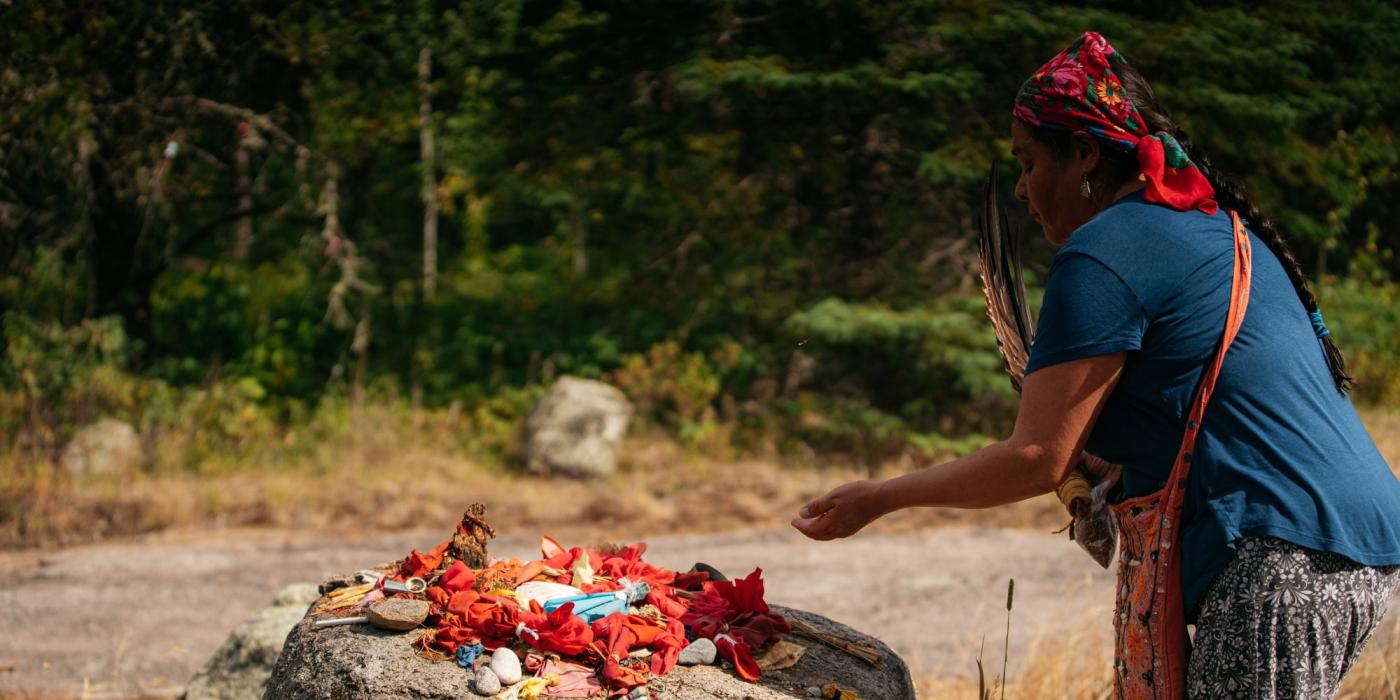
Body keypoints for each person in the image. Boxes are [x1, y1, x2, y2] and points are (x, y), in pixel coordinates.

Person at [791, 31, 1400, 699]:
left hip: (1283, 557)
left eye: (1028, 163)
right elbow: (1213, 405)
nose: (1022, 189)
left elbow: (1036, 458)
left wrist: (878, 498)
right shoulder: (1214, 228)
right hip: (1349, 544)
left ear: (1083, 153)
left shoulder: (1104, 250)